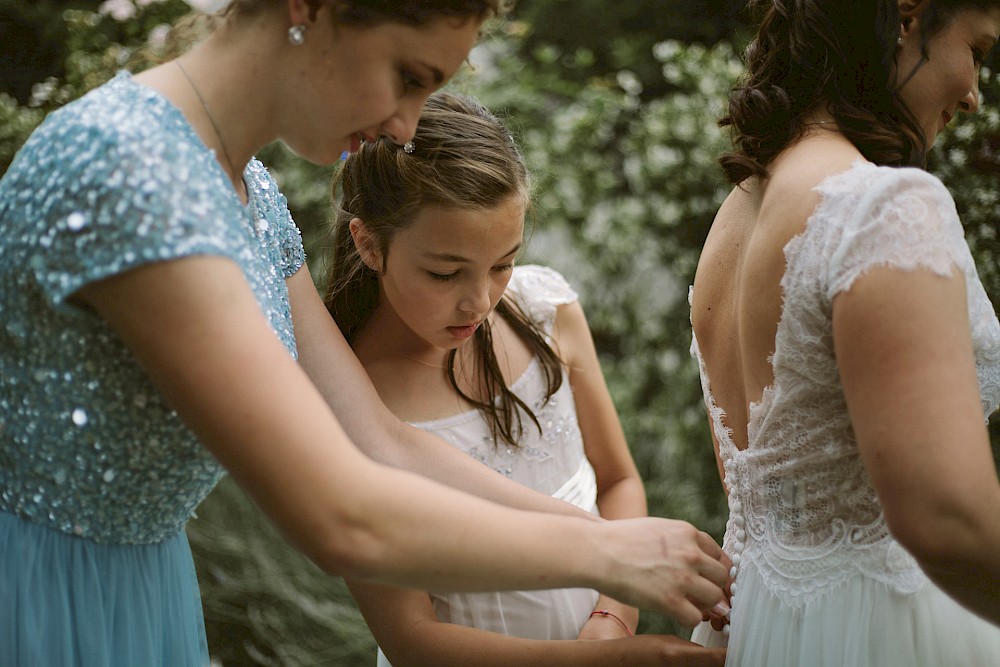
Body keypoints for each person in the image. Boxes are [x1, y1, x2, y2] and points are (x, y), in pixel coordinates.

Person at [0, 1, 732, 665]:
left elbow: (380, 438)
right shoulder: (130, 170)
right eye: (408, 77)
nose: (406, 126)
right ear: (310, 9)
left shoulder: (246, 186)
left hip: (144, 587)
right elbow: (341, 518)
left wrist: (622, 545)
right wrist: (600, 552)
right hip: (48, 590)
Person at [321, 91, 728, 667]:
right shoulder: (352, 402)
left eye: (501, 263)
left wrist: (611, 621)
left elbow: (616, 481)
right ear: (369, 244)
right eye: (444, 273)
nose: (479, 300)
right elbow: (412, 639)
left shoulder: (543, 308)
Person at [687, 0, 1000, 664]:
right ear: (908, 17)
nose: (974, 96)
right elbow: (947, 517)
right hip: (886, 624)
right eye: (977, 52)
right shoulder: (877, 205)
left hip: (762, 622)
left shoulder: (735, 216)